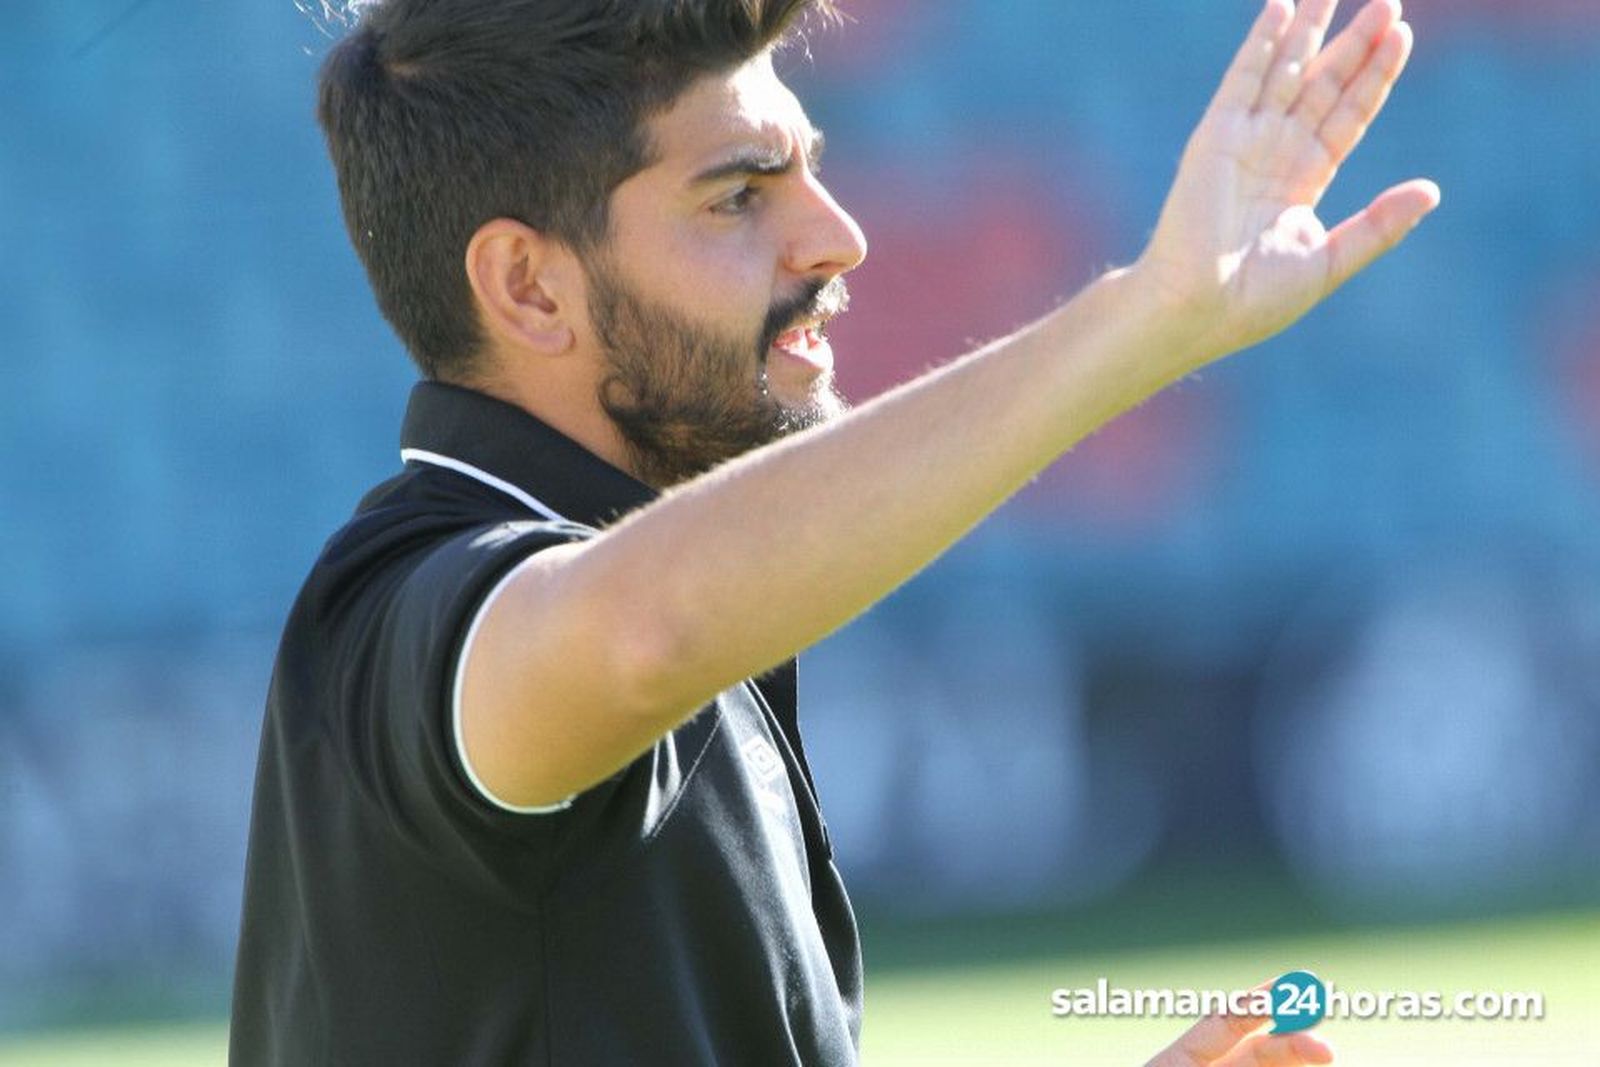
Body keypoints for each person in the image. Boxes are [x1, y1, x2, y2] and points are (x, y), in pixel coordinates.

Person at [229, 0, 1435, 1063]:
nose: (838, 236)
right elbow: (635, 630)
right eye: (739, 196)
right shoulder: (401, 604)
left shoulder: (675, 596)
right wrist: (1142, 322)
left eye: (813, 168)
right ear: (529, 287)